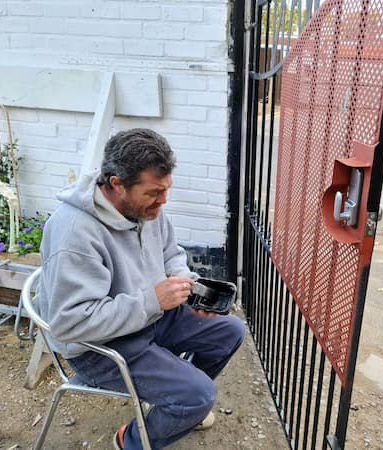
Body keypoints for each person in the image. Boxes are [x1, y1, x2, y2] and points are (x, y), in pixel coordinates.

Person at [35, 128, 245, 449]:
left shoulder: (144, 208)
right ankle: (131, 441)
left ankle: (178, 404)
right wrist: (152, 300)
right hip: (100, 347)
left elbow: (170, 253)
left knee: (229, 331)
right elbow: (70, 323)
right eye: (153, 192)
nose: (163, 200)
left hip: (148, 317)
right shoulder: (75, 233)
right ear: (117, 184)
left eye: (165, 189)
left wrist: (183, 284)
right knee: (199, 396)